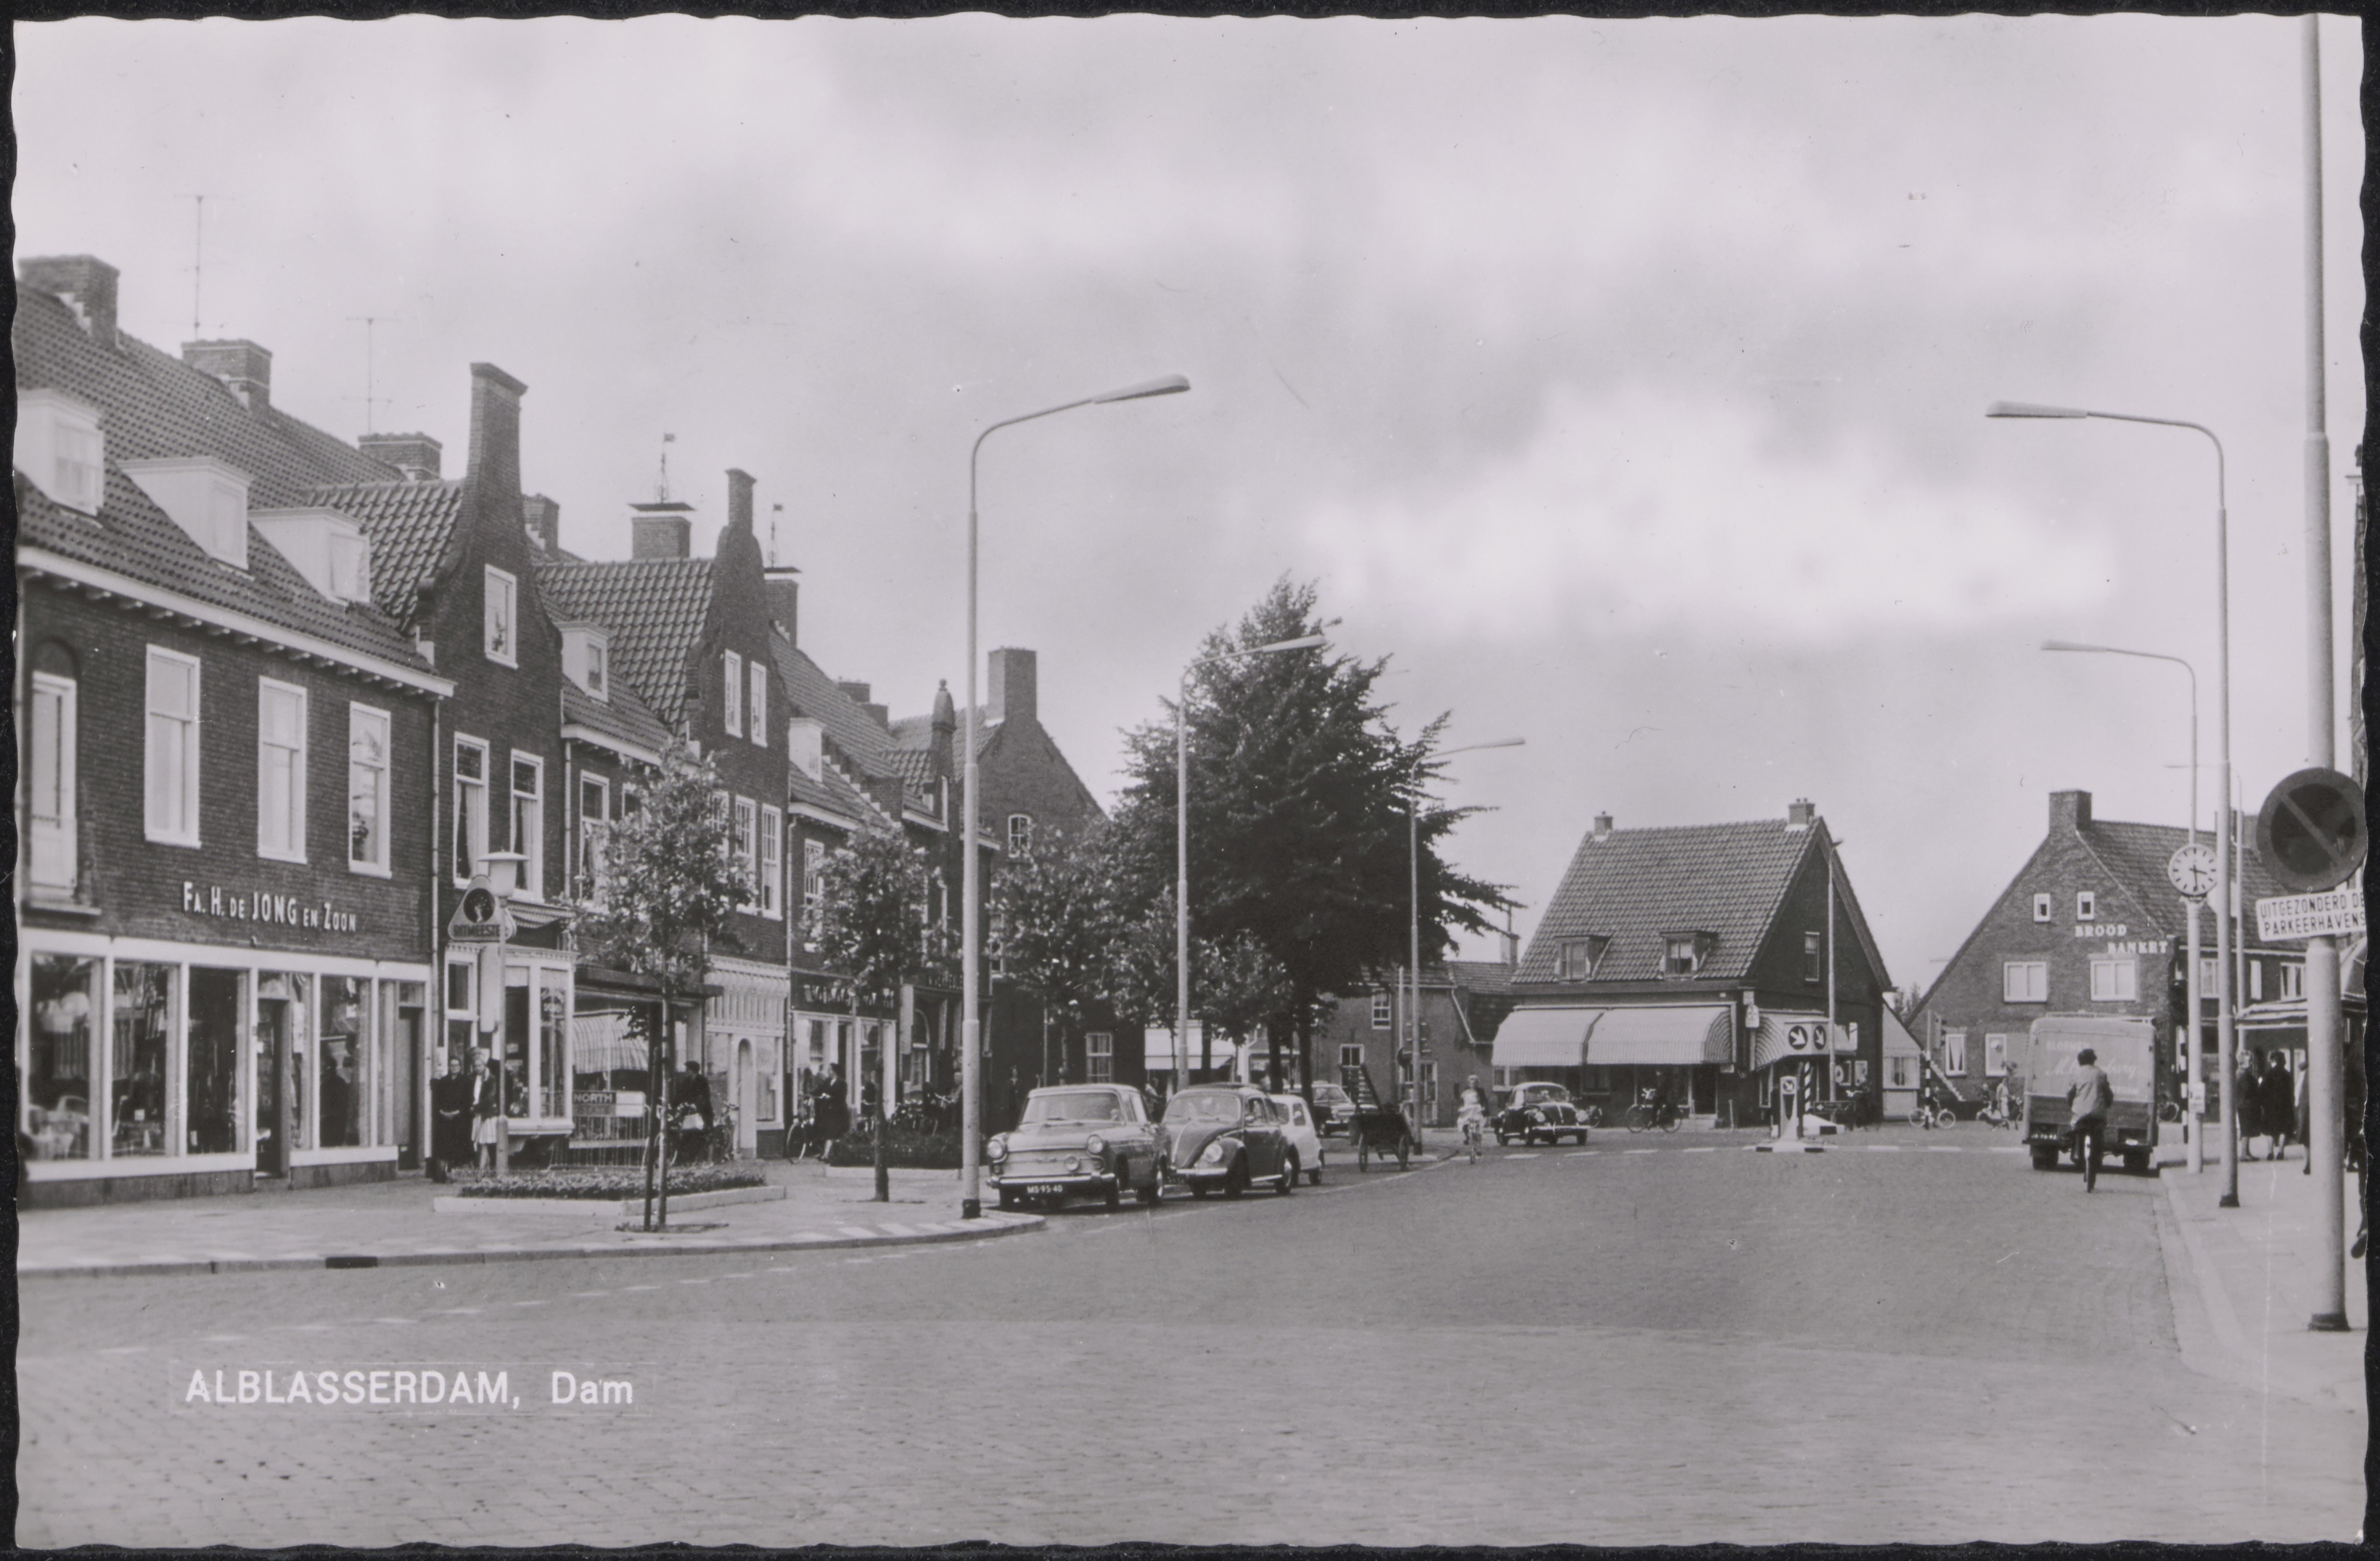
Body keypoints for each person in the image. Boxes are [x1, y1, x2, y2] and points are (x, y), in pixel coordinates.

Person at [2067, 1046, 2113, 1193]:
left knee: (2076, 1130)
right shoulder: (2101, 1074)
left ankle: (2076, 1154)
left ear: (2080, 1061)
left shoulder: (2076, 1074)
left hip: (2080, 1114)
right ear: (2094, 1060)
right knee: (2098, 1135)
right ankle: (2098, 1159)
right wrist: (2108, 1104)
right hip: (2097, 1114)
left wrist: (2072, 1105)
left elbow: (2070, 1094)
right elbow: (2108, 1094)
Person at [427, 1052, 473, 1182]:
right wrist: (442, 1112)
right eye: (452, 1065)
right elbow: (437, 1099)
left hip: (459, 1119)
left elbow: (468, 1101)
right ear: (449, 1067)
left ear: (460, 1067)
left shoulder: (466, 1082)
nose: (454, 1068)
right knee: (444, 1147)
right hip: (445, 1119)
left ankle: (456, 1173)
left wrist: (458, 1112)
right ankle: (443, 1174)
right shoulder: (443, 1081)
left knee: (458, 1146)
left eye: (456, 1065)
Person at [469, 1048, 502, 1171]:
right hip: (477, 1114)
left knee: (484, 1143)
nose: (477, 1068)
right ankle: (485, 1169)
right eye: (475, 1066)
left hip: (487, 1114)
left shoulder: (490, 1078)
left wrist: (476, 1107)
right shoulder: (472, 1078)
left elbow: (490, 1097)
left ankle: (482, 1171)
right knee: (480, 1142)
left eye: (480, 1066)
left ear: (484, 1066)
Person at [1456, 1076, 1489, 1164]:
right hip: (1467, 1109)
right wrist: (1460, 1108)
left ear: (1477, 1083)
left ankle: (1478, 1147)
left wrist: (1485, 1109)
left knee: (1479, 1126)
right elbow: (1461, 1101)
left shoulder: (1480, 1091)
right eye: (1471, 1083)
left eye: (1475, 1083)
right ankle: (1467, 1137)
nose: (1473, 1085)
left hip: (1476, 1109)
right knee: (1462, 1122)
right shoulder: (1465, 1092)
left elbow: (1484, 1101)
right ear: (1468, 1084)